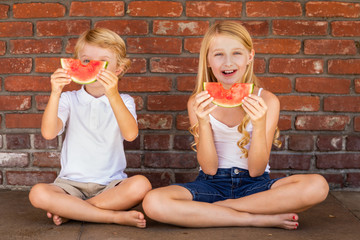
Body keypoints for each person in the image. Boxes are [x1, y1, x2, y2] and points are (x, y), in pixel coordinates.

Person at [142, 21, 329, 230]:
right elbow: (209, 168)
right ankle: (253, 218)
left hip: (255, 185)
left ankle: (220, 209)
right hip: (211, 183)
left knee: (317, 186)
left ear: (250, 56)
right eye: (219, 54)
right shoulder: (197, 102)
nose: (228, 62)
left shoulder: (267, 100)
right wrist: (203, 123)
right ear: (208, 60)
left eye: (237, 53)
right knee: (153, 202)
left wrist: (258, 125)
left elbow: (257, 170)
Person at [29, 28, 152, 228]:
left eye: (102, 62)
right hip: (69, 185)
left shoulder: (125, 101)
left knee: (141, 185)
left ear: (118, 70)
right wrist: (55, 93)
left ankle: (73, 211)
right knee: (38, 193)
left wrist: (113, 95)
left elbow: (130, 135)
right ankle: (112, 217)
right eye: (86, 61)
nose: (93, 67)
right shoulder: (68, 99)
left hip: (111, 185)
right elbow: (49, 133)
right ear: (76, 63)